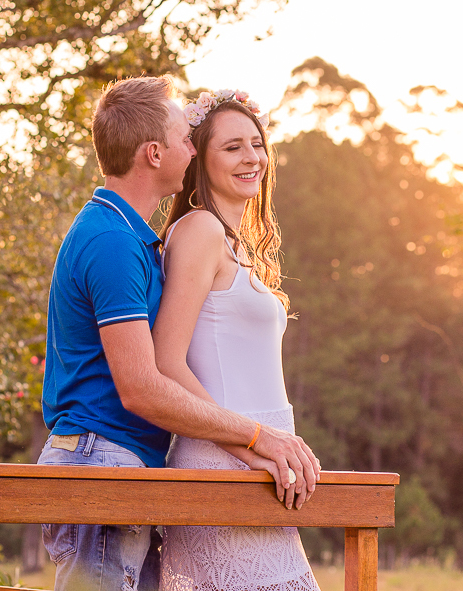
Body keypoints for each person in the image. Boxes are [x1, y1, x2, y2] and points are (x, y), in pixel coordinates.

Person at [38, 77, 320, 591]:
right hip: (101, 456)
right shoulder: (112, 242)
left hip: (131, 457)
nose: (190, 146)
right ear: (153, 153)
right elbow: (144, 382)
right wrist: (257, 439)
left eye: (255, 144)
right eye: (185, 138)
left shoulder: (133, 239)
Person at [153, 89, 321, 591]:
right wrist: (248, 446)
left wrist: (267, 451)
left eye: (256, 144)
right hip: (227, 453)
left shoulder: (234, 242)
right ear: (199, 159)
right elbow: (165, 360)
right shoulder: (200, 230)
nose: (252, 157)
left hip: (265, 459)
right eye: (232, 147)